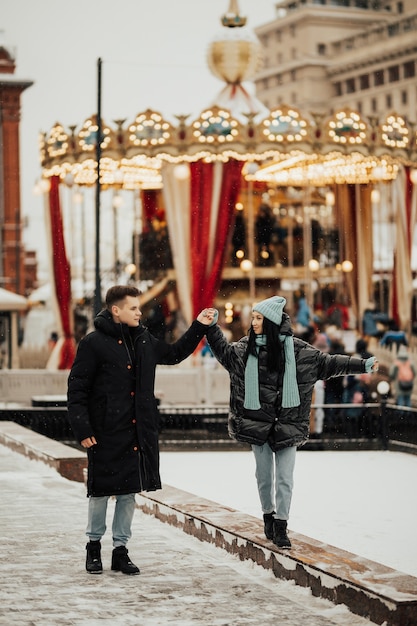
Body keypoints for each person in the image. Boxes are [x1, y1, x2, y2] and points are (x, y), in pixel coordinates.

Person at [205, 295, 378, 549]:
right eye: (253, 317)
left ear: (272, 322)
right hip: (258, 423)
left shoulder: (299, 352)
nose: (253, 323)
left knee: (285, 477)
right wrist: (211, 328)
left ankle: (281, 525)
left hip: (288, 424)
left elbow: (329, 363)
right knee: (264, 476)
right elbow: (224, 353)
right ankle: (268, 515)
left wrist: (362, 364)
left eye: (258, 318)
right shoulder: (245, 349)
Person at [67, 285, 216, 575]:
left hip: (137, 431)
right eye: (133, 308)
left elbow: (174, 353)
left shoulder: (144, 340)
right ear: (116, 310)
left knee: (128, 493)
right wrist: (82, 427)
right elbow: (77, 388)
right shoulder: (93, 343)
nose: (139, 312)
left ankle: (120, 551)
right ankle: (93, 547)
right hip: (105, 431)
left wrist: (200, 325)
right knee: (100, 492)